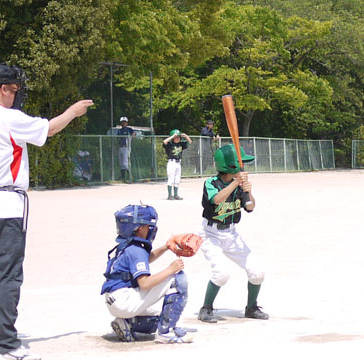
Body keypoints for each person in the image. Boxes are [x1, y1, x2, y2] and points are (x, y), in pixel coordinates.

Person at [0, 63, 93, 360]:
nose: (16, 94)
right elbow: (49, 129)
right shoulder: (9, 118)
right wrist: (73, 111)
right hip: (6, 206)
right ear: (2, 88)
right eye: (13, 89)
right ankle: (8, 344)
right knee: (10, 276)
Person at [101, 204, 194, 344]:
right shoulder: (136, 250)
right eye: (148, 226)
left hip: (115, 299)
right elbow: (144, 284)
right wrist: (171, 269)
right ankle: (166, 333)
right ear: (139, 229)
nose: (151, 229)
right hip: (124, 300)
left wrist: (166, 247)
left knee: (159, 318)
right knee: (177, 279)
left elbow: (145, 259)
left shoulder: (127, 245)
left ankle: (127, 323)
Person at [197, 144, 269, 323]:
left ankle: (251, 308)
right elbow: (215, 200)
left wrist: (248, 190)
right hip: (210, 234)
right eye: (240, 164)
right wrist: (236, 182)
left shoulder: (239, 186)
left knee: (257, 271)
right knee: (221, 273)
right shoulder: (211, 183)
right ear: (230, 167)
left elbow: (250, 207)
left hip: (231, 234)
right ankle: (206, 309)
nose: (244, 168)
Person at [162, 129, 191, 200]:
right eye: (176, 137)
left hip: (178, 163)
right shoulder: (170, 145)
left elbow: (190, 142)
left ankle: (176, 195)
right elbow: (164, 141)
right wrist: (172, 136)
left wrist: (186, 136)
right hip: (172, 163)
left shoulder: (181, 144)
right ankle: (169, 195)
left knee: (177, 179)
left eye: (178, 137)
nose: (177, 139)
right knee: (171, 178)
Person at [117, 116, 135, 181]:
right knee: (121, 162)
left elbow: (133, 133)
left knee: (125, 162)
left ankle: (130, 176)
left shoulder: (129, 129)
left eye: (124, 122)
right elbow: (118, 138)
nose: (123, 123)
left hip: (126, 147)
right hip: (120, 147)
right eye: (122, 122)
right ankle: (123, 177)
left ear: (127, 123)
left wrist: (132, 135)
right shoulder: (119, 130)